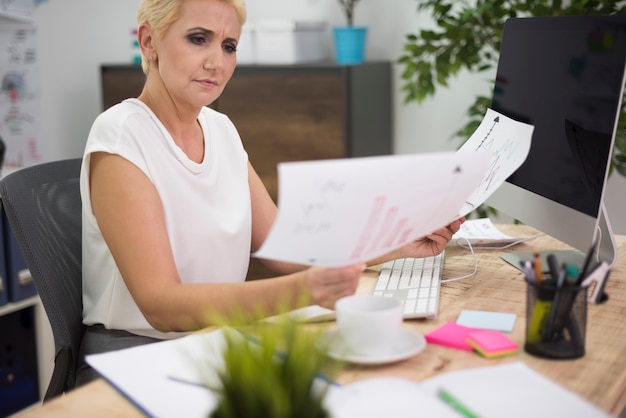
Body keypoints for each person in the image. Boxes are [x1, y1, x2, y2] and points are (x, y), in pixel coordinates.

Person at [76, 0, 464, 385]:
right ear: (149, 43)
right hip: (137, 357)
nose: (217, 61)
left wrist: (401, 240)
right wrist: (304, 291)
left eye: (229, 46)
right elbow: (160, 305)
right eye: (199, 39)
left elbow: (287, 248)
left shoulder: (221, 129)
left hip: (213, 340)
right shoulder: (122, 135)